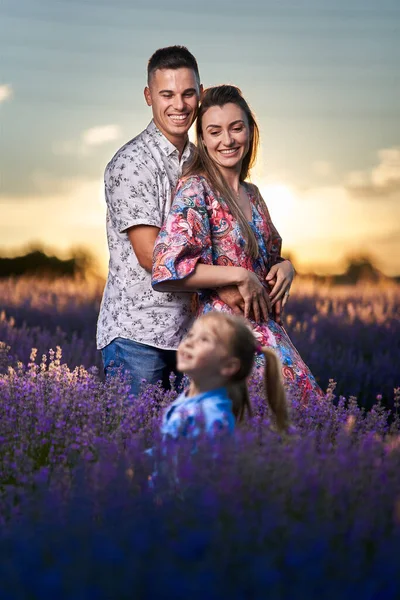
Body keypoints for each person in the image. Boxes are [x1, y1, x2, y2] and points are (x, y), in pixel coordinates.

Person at [97, 47, 293, 397]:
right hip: (140, 335)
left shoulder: (201, 159)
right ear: (148, 96)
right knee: (136, 442)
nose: (179, 104)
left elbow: (237, 243)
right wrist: (231, 280)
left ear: (199, 95)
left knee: (189, 445)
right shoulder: (131, 164)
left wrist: (283, 266)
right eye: (167, 94)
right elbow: (151, 257)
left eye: (188, 93)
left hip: (195, 334)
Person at [152, 85, 324, 404]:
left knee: (305, 416)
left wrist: (286, 267)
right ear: (202, 140)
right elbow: (166, 270)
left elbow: (269, 261)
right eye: (214, 131)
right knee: (257, 426)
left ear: (249, 130)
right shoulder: (195, 189)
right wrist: (238, 276)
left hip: (264, 330)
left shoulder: (253, 195)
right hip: (223, 337)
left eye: (236, 128)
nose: (227, 140)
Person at [160, 311, 290, 445]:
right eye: (191, 335)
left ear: (229, 366)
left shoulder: (211, 416)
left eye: (204, 339)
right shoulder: (189, 398)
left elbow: (194, 462)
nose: (189, 343)